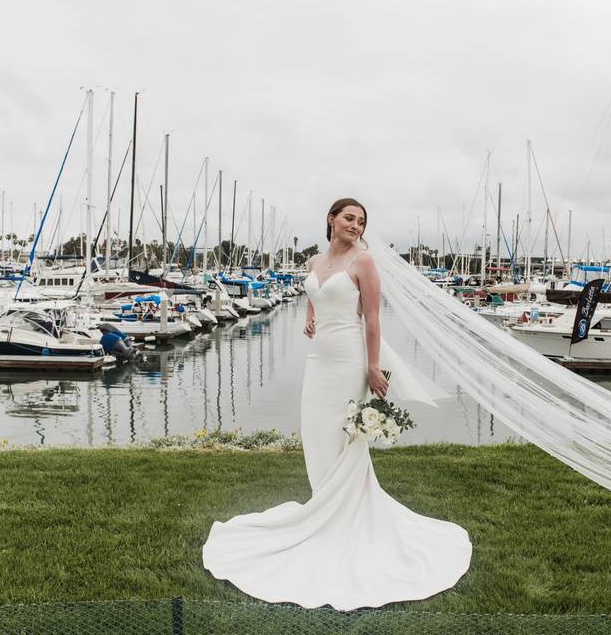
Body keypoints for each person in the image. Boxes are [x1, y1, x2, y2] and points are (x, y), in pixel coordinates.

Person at [202, 198, 472, 610]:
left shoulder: (364, 262)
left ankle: (344, 521)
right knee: (315, 435)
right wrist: (310, 315)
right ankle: (322, 510)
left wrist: (373, 367)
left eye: (361, 221)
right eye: (349, 218)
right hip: (319, 360)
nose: (355, 225)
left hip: (349, 360)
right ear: (330, 219)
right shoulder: (314, 261)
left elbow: (373, 319)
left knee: (344, 440)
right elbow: (317, 292)